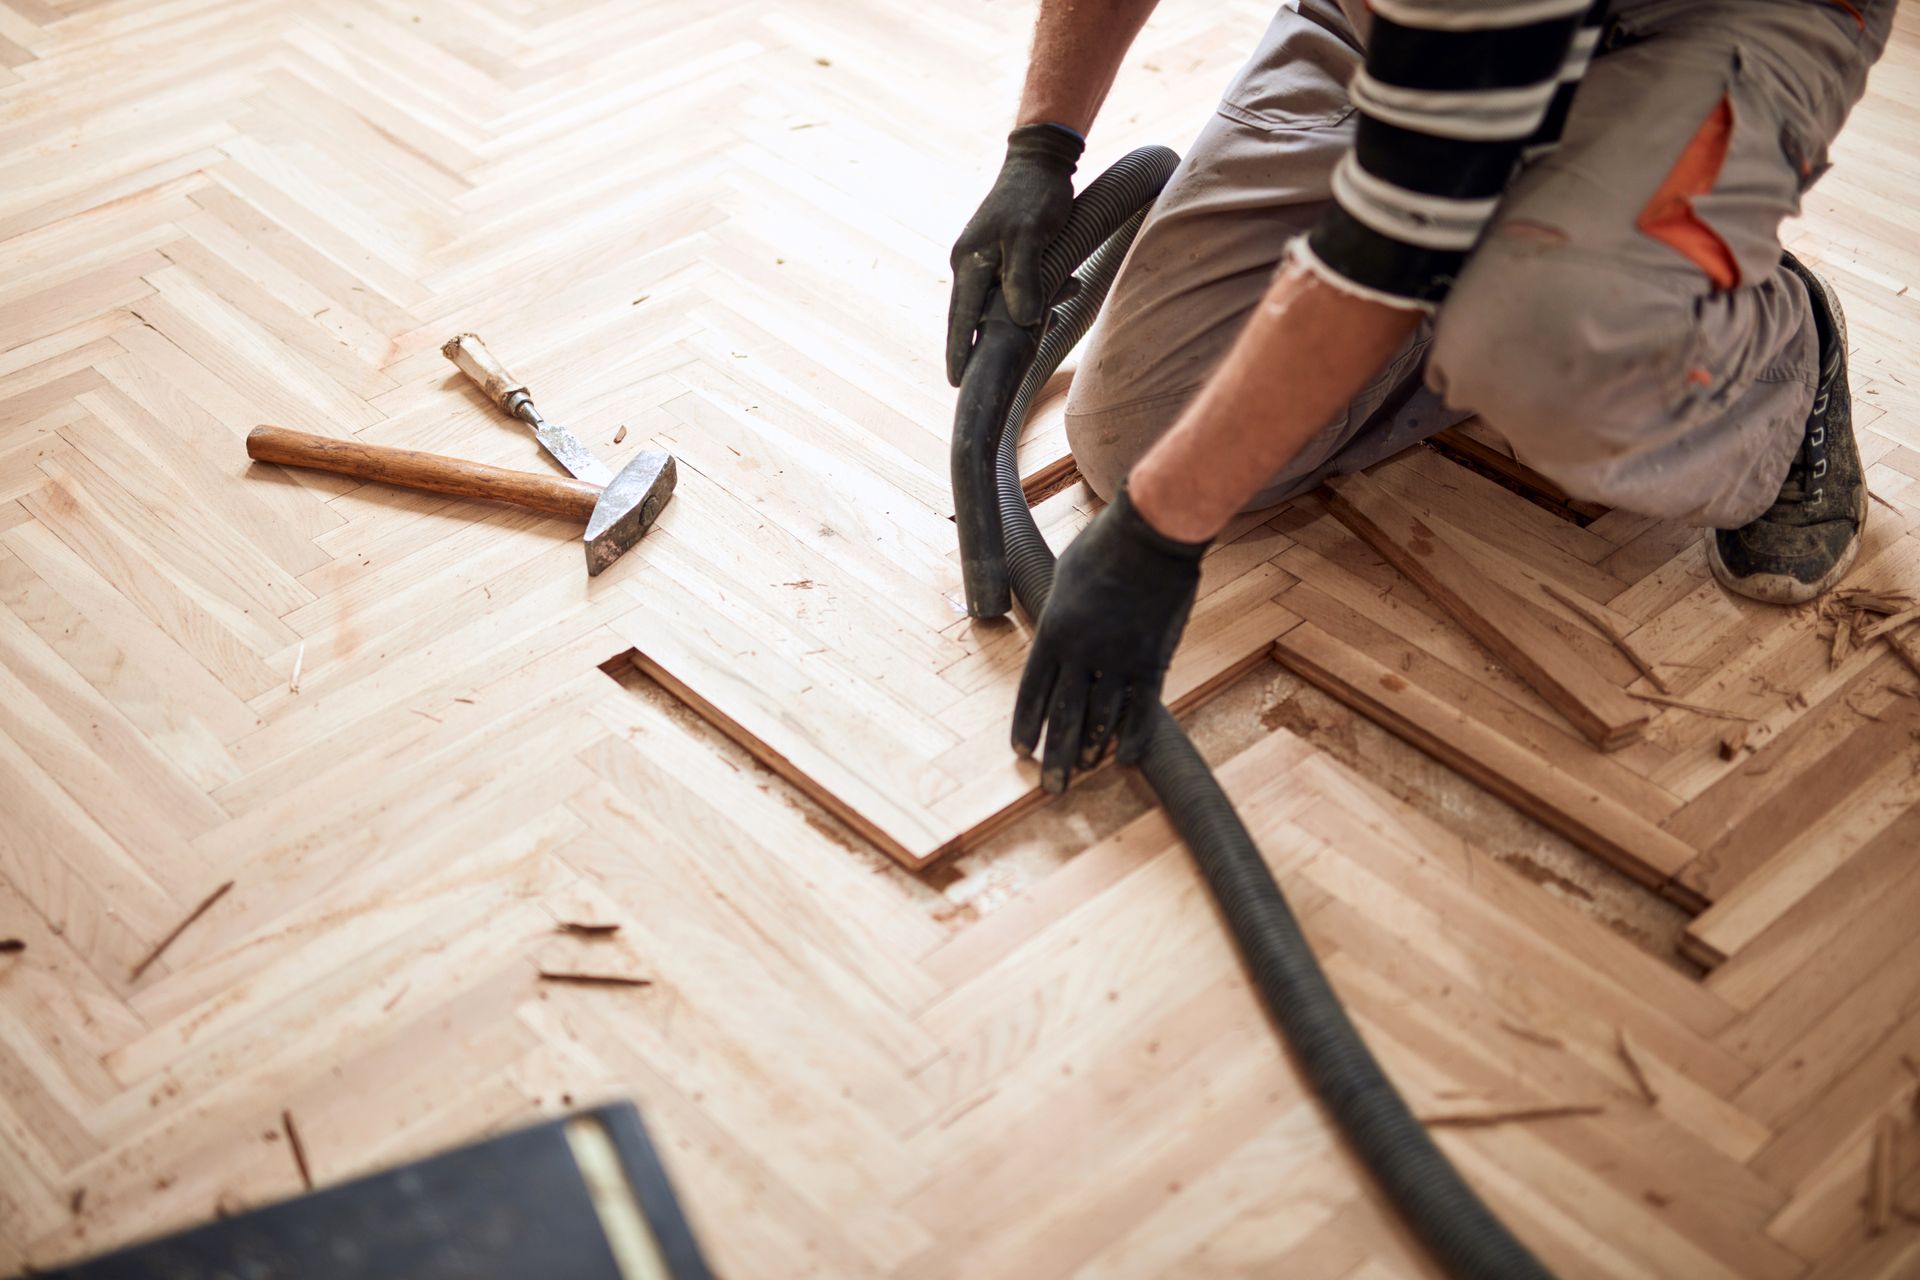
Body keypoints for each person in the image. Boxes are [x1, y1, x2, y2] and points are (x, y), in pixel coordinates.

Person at [946, 0, 1894, 793]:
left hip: (1696, 22)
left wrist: (1159, 535)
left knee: (1550, 344)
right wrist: (1043, 145)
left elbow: (1407, 215)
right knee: (1139, 432)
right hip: (1412, 31)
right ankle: (1522, 277)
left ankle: (1775, 348)